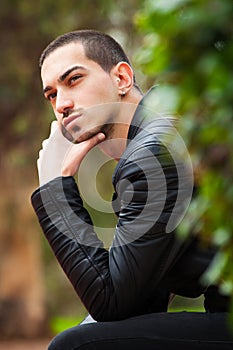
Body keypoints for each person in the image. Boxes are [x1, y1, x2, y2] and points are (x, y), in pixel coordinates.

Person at [31, 29, 232, 349]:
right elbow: (135, 298)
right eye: (52, 94)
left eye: (73, 80)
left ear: (122, 78)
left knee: (75, 346)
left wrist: (55, 189)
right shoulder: (162, 133)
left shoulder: (155, 152)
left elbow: (111, 301)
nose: (62, 104)